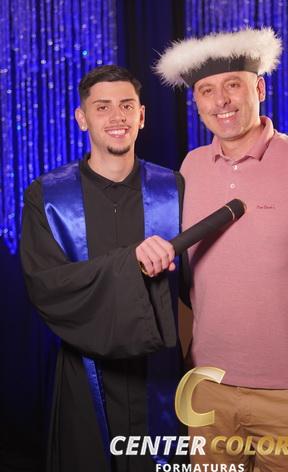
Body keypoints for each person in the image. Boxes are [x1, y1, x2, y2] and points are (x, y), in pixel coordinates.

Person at [149, 28, 288, 472]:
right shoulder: (191, 166)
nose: (221, 101)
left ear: (259, 88)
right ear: (196, 102)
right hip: (208, 393)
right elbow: (189, 276)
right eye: (207, 91)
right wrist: (189, 355)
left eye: (233, 85)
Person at [20, 65, 186, 472]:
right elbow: (47, 286)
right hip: (85, 372)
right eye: (102, 107)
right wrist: (130, 263)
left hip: (162, 373)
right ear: (82, 118)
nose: (117, 117)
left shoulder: (174, 188)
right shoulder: (48, 196)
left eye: (127, 106)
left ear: (141, 116)